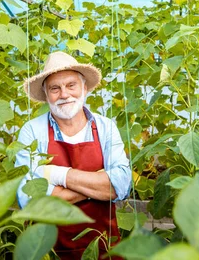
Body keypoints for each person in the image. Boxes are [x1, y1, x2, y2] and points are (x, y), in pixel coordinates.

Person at [15, 51, 131, 259]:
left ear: (84, 88)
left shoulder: (106, 127)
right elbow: (31, 200)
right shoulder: (32, 132)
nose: (64, 94)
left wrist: (57, 175)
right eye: (55, 88)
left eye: (71, 85)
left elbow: (120, 185)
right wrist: (97, 183)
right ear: (46, 95)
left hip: (103, 248)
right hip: (48, 250)